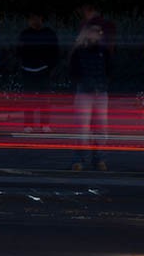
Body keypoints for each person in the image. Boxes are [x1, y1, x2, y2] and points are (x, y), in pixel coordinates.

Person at [68, 22, 110, 171]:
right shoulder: (80, 51)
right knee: (83, 129)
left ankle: (97, 158)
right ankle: (81, 159)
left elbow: (109, 68)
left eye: (99, 31)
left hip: (98, 91)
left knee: (100, 128)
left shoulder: (102, 50)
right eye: (95, 31)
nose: (98, 34)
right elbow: (73, 70)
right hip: (86, 91)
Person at [17, 10, 59, 132]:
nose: (34, 21)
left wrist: (50, 67)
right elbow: (18, 51)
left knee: (44, 99)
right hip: (28, 69)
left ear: (41, 18)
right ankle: (28, 125)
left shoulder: (48, 33)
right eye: (31, 18)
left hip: (43, 70)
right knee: (29, 99)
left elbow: (55, 52)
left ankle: (44, 124)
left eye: (36, 17)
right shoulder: (25, 34)